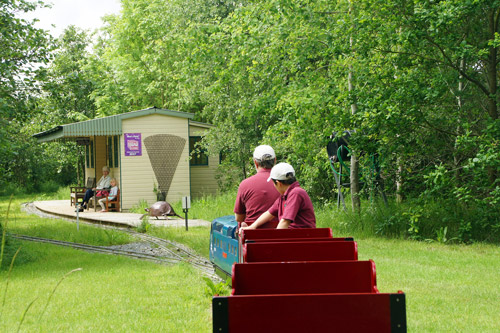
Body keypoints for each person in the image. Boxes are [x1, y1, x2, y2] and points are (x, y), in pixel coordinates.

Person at [240, 162, 316, 230]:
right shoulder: (284, 197)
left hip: (302, 237)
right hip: (293, 236)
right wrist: (253, 226)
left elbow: (285, 221)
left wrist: (275, 239)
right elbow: (269, 213)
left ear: (278, 183)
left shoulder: (296, 193)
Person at [234, 145, 280, 228]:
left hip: (252, 237)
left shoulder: (245, 184)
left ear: (255, 162)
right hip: (283, 236)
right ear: (275, 160)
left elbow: (239, 218)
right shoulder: (285, 184)